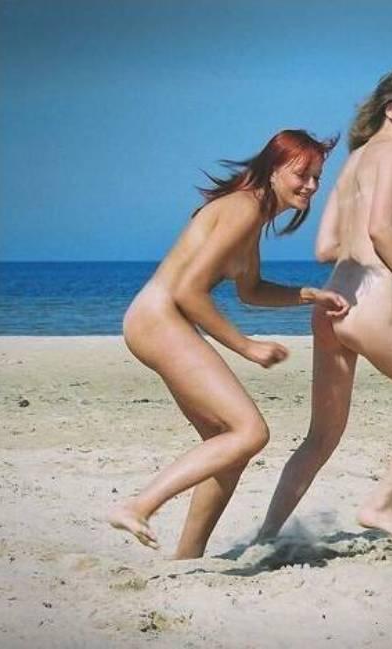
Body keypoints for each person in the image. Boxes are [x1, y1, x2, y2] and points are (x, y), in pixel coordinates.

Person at [106, 130, 349, 558]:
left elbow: (250, 290)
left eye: (317, 177)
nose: (311, 186)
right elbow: (189, 290)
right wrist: (245, 346)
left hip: (158, 321)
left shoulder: (253, 214)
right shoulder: (244, 208)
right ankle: (137, 506)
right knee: (250, 432)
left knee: (226, 445)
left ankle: (186, 559)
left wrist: (308, 295)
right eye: (302, 174)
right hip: (159, 320)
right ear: (273, 170)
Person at [257, 70, 392, 546]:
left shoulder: (353, 161)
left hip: (333, 302)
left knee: (320, 437)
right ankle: (381, 504)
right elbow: (379, 229)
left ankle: (266, 536)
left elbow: (326, 247)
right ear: (390, 108)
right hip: (372, 303)